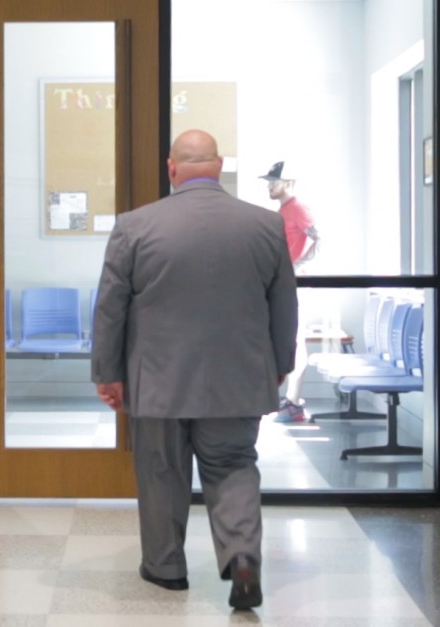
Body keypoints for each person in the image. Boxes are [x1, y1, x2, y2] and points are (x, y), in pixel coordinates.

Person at [92, 130, 297, 610]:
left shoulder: (134, 226)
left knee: (161, 469)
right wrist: (280, 363)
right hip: (239, 377)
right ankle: (242, 558)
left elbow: (110, 307)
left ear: (171, 168)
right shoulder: (265, 226)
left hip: (158, 378)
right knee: (233, 465)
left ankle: (166, 569)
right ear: (219, 165)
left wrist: (108, 372)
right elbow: (284, 304)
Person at [260, 161, 319, 423]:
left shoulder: (297, 209)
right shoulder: (284, 211)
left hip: (295, 282)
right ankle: (289, 400)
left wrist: (297, 267)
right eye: (269, 181)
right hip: (283, 281)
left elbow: (319, 238)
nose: (270, 186)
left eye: (275, 181)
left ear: (290, 184)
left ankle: (293, 402)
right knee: (286, 337)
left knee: (296, 339)